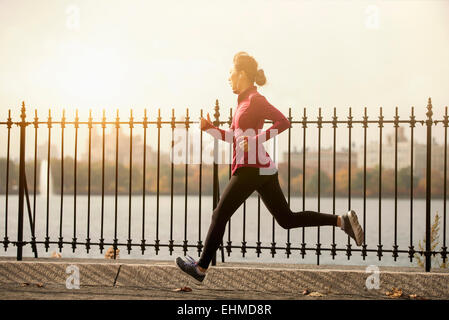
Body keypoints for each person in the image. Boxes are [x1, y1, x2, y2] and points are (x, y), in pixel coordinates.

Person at [175, 52, 364, 282]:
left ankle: (201, 268)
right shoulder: (242, 102)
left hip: (252, 167)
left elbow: (283, 122)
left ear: (242, 74)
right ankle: (341, 220)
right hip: (262, 168)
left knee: (219, 214)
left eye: (231, 72)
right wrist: (210, 128)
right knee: (287, 219)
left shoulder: (256, 99)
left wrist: (255, 140)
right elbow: (236, 137)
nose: (228, 77)